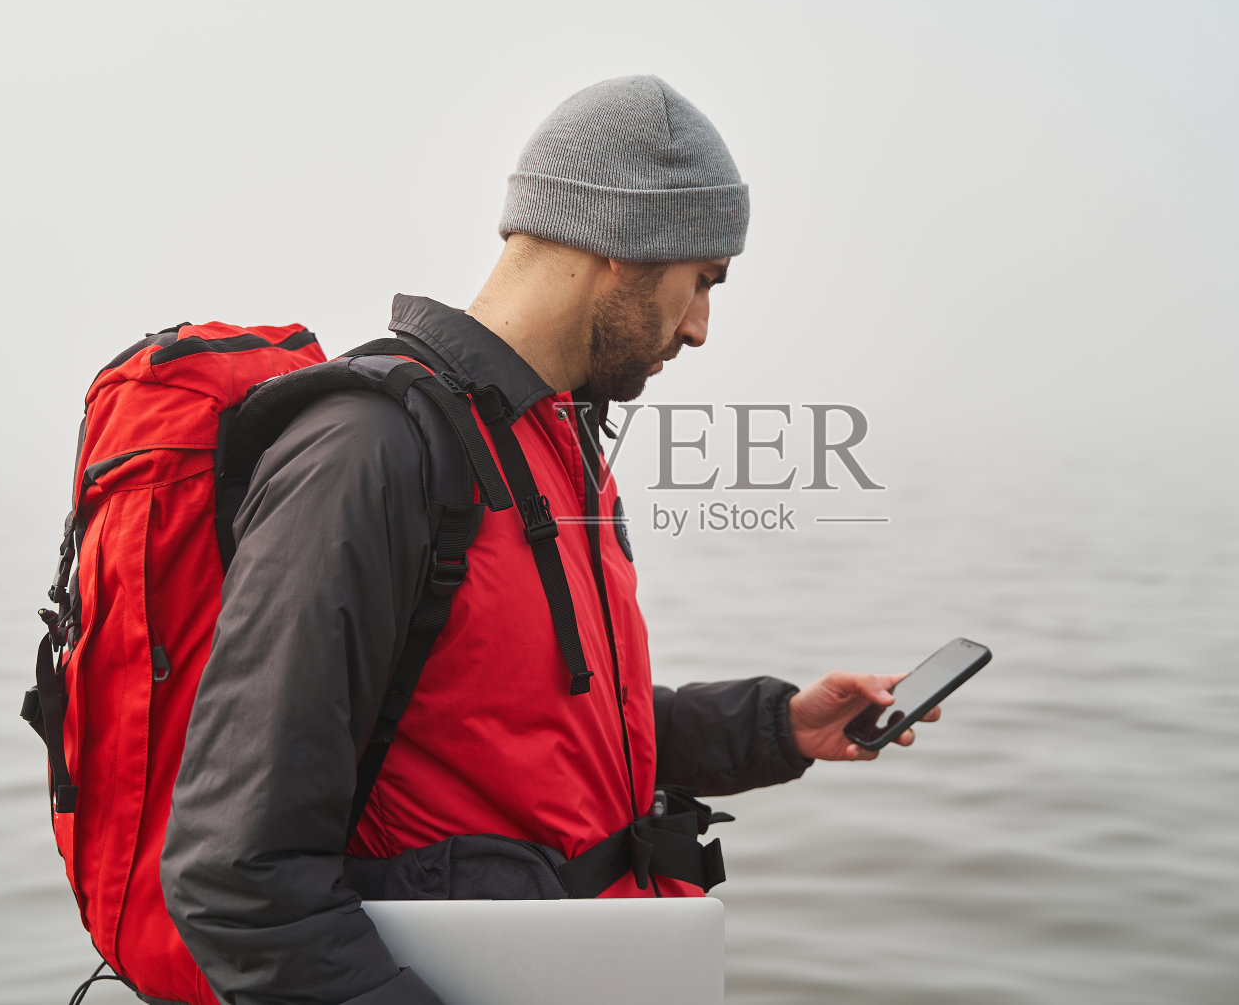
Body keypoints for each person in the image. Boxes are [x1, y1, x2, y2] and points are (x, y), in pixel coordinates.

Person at [160, 74, 940, 1005]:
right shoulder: (367, 451)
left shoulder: (556, 439)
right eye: (702, 280)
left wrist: (777, 725)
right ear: (621, 240)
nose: (699, 326)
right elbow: (237, 877)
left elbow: (536, 725)